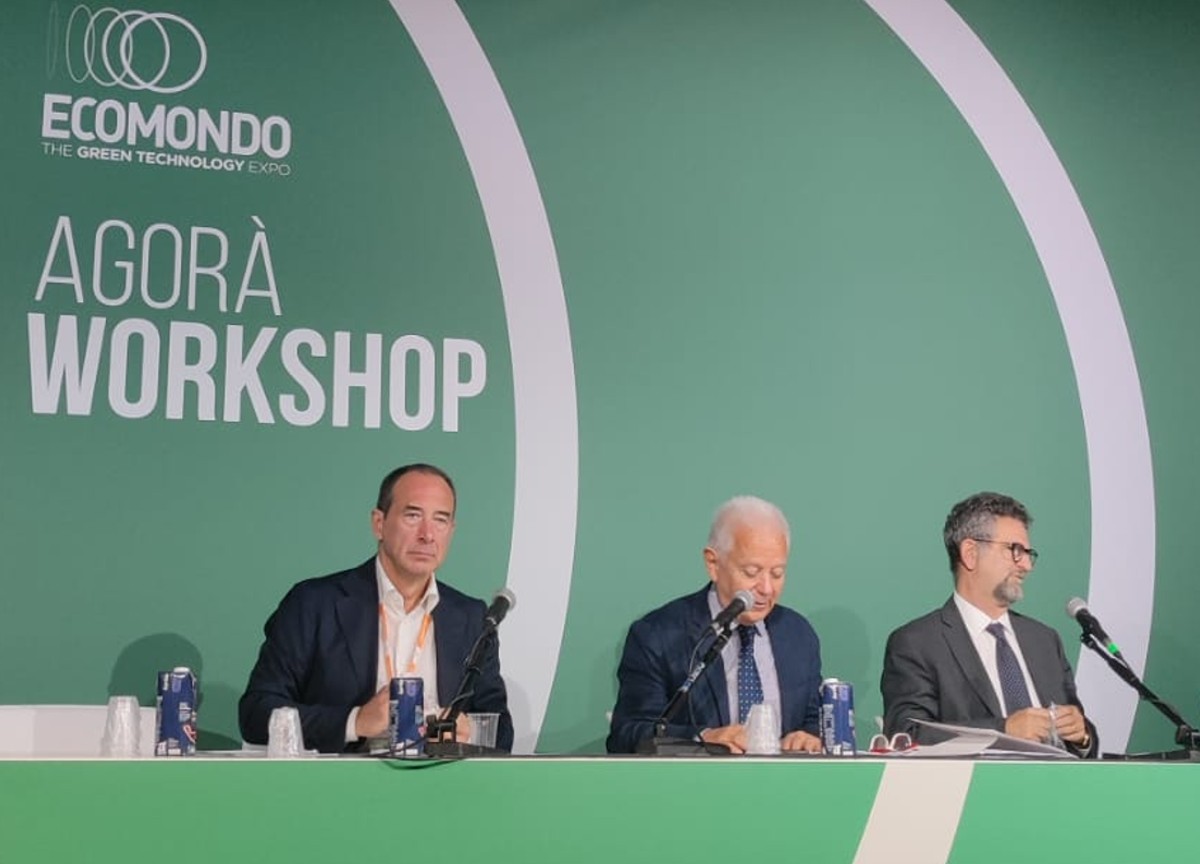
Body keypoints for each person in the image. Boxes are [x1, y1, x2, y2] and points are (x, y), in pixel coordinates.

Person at [238, 463, 513, 753]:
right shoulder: (314, 604)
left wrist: (471, 729)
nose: (427, 534)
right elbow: (257, 712)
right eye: (412, 516)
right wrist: (355, 721)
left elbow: (501, 730)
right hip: (340, 778)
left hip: (440, 776)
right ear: (379, 523)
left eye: (440, 520)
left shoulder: (471, 619)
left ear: (451, 530)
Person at [881, 491, 1097, 756]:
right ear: (970, 553)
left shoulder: (1044, 641)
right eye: (1015, 550)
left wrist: (1082, 735)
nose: (1026, 565)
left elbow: (1081, 739)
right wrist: (1003, 730)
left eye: (1028, 553)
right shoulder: (918, 643)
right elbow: (907, 736)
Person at [607, 496, 824, 754]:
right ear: (713, 564)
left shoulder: (799, 635)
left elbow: (815, 721)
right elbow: (627, 733)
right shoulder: (659, 635)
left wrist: (809, 738)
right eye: (752, 572)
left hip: (783, 779)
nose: (766, 588)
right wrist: (703, 737)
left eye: (777, 573)